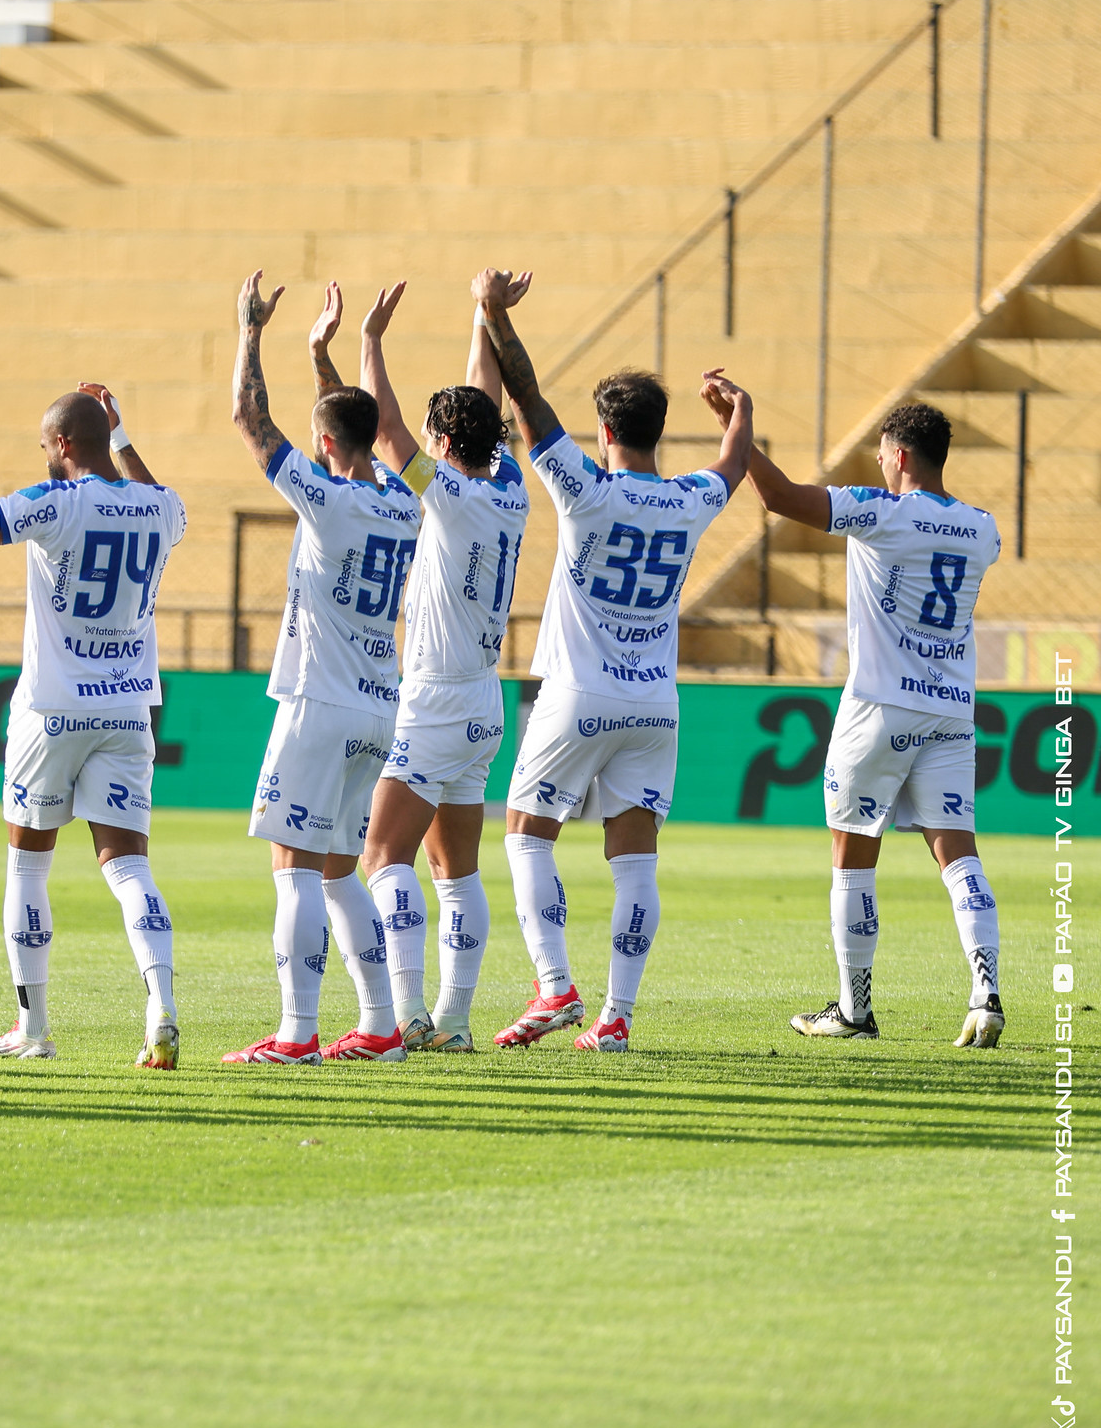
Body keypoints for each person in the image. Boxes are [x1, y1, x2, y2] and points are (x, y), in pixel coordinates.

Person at [483, 270, 752, 1052]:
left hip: (577, 693)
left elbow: (528, 402)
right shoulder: (690, 497)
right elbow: (734, 467)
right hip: (655, 706)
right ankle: (616, 1016)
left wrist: (496, 315)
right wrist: (741, 415)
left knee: (528, 833)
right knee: (635, 858)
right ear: (660, 431)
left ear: (603, 432)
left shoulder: (587, 491)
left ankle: (555, 986)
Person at [740, 401, 1005, 1045]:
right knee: (958, 856)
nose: (880, 464)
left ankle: (854, 1011)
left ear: (903, 456)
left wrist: (736, 434)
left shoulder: (880, 511)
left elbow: (777, 497)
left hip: (879, 709)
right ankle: (986, 991)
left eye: (884, 453)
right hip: (950, 710)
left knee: (852, 858)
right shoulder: (983, 529)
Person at [220, 273, 419, 1065]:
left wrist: (250, 330)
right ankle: (378, 1025)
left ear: (324, 448)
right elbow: (346, 430)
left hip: (319, 700)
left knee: (292, 868)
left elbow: (249, 417)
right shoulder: (406, 502)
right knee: (342, 871)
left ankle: (297, 1034)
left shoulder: (326, 501)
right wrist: (324, 354)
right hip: (379, 704)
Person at [0, 379, 189, 1066]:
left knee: (26, 869)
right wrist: (121, 436)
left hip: (52, 710)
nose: (42, 456)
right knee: (130, 867)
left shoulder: (53, 500)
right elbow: (163, 503)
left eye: (45, 445)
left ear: (63, 445)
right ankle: (161, 1006)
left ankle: (31, 1027)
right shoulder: (161, 508)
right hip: (128, 709)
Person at [350, 273, 532, 1053]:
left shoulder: (449, 494)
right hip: (484, 701)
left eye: (435, 434)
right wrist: (482, 316)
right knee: (453, 869)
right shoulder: (513, 487)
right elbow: (480, 404)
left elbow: (386, 430)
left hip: (433, 699)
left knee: (380, 858)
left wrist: (369, 344)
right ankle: (452, 1024)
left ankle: (403, 1015)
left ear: (445, 447)